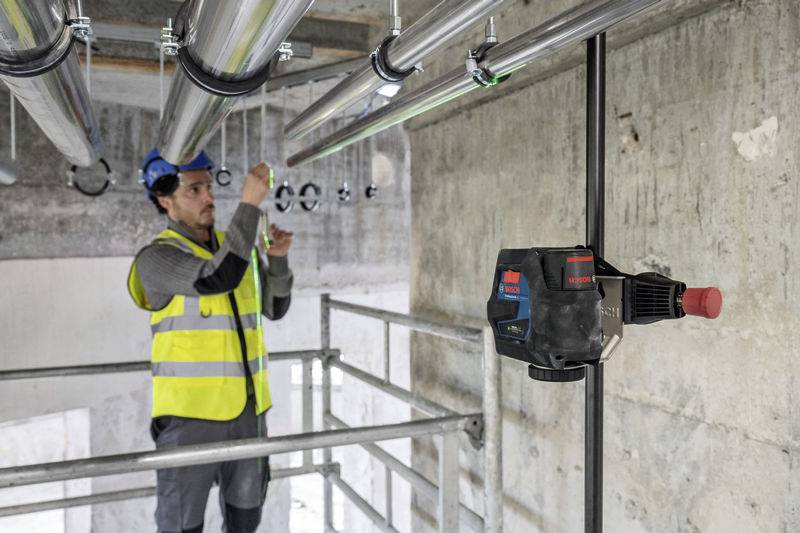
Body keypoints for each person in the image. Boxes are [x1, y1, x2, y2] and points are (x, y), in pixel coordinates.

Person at [127, 148, 293, 533]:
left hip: (249, 413)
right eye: (194, 190)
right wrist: (249, 204)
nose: (209, 198)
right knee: (182, 525)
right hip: (190, 421)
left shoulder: (236, 246)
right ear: (165, 200)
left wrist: (279, 261)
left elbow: (275, 309)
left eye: (208, 187)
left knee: (245, 520)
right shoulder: (156, 259)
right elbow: (215, 278)